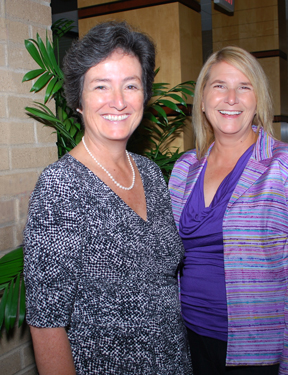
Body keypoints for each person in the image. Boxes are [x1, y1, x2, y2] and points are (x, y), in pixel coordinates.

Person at [24, 21, 192, 375]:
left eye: (130, 86)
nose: (118, 101)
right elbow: (46, 321)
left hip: (173, 360)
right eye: (101, 86)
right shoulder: (61, 186)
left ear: (144, 95)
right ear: (78, 100)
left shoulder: (149, 173)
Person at [169, 46, 288, 375]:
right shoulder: (184, 168)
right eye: (219, 86)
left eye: (244, 87)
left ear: (258, 100)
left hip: (256, 352)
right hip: (186, 339)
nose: (231, 98)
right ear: (202, 100)